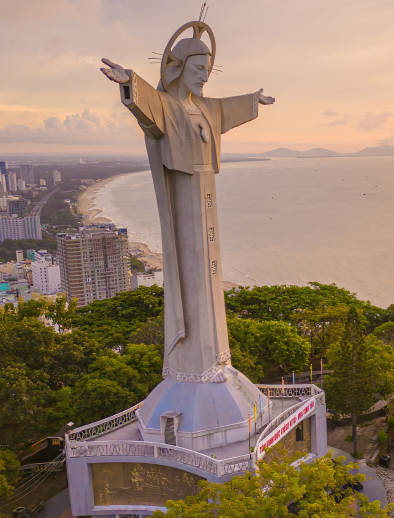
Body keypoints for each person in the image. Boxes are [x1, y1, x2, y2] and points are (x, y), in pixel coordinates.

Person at [100, 33, 274, 382]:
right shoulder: (167, 105)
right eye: (198, 68)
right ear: (177, 68)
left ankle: (218, 361)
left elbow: (227, 107)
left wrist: (253, 100)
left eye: (208, 70)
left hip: (205, 185)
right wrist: (130, 81)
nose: (205, 77)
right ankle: (194, 364)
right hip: (184, 195)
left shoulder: (207, 107)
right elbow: (148, 102)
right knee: (194, 270)